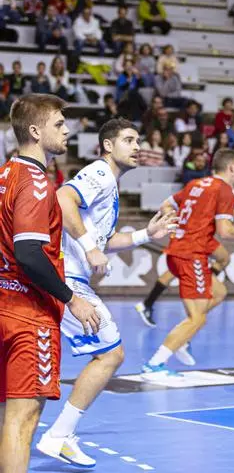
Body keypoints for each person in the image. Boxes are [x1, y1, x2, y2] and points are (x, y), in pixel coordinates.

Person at [35, 120, 177, 467]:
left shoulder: (110, 185)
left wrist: (146, 234)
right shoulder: (99, 172)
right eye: (128, 140)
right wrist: (89, 248)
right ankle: (58, 436)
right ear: (108, 146)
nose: (137, 146)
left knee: (96, 357)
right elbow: (63, 199)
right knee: (111, 355)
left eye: (138, 140)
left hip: (68, 277)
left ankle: (58, 435)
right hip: (67, 278)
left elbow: (107, 241)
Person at [0, 94, 99, 473]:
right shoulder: (35, 182)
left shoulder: (4, 175)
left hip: (4, 303)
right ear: (35, 131)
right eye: (58, 124)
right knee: (23, 419)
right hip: (27, 315)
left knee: (7, 417)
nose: (67, 130)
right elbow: (28, 253)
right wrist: (72, 298)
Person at [142, 149, 234, 375]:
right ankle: (155, 363)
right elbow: (224, 230)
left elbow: (165, 205)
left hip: (177, 250)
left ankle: (184, 337)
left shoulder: (196, 183)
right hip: (191, 255)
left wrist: (176, 224)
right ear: (231, 167)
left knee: (219, 292)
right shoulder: (225, 190)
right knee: (197, 318)